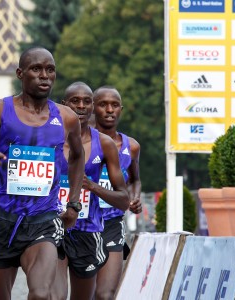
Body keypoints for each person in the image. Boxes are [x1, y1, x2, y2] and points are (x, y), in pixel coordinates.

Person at [0, 46, 85, 300]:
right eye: (36, 69)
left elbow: (78, 157)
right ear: (20, 73)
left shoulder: (67, 117)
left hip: (43, 219)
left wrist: (73, 202)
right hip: (2, 219)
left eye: (50, 70)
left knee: (40, 294)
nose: (44, 75)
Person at [54, 82, 129, 300]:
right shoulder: (50, 138)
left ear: (92, 107)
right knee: (54, 295)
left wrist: (92, 186)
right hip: (53, 228)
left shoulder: (105, 144)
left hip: (88, 230)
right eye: (74, 101)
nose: (80, 106)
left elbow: (123, 200)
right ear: (63, 105)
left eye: (86, 102)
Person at [93, 86, 142, 300]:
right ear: (93, 109)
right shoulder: (81, 141)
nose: (109, 110)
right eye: (103, 105)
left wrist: (134, 197)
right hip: (81, 223)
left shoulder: (131, 146)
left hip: (112, 223)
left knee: (105, 295)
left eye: (114, 105)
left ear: (121, 109)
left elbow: (135, 180)